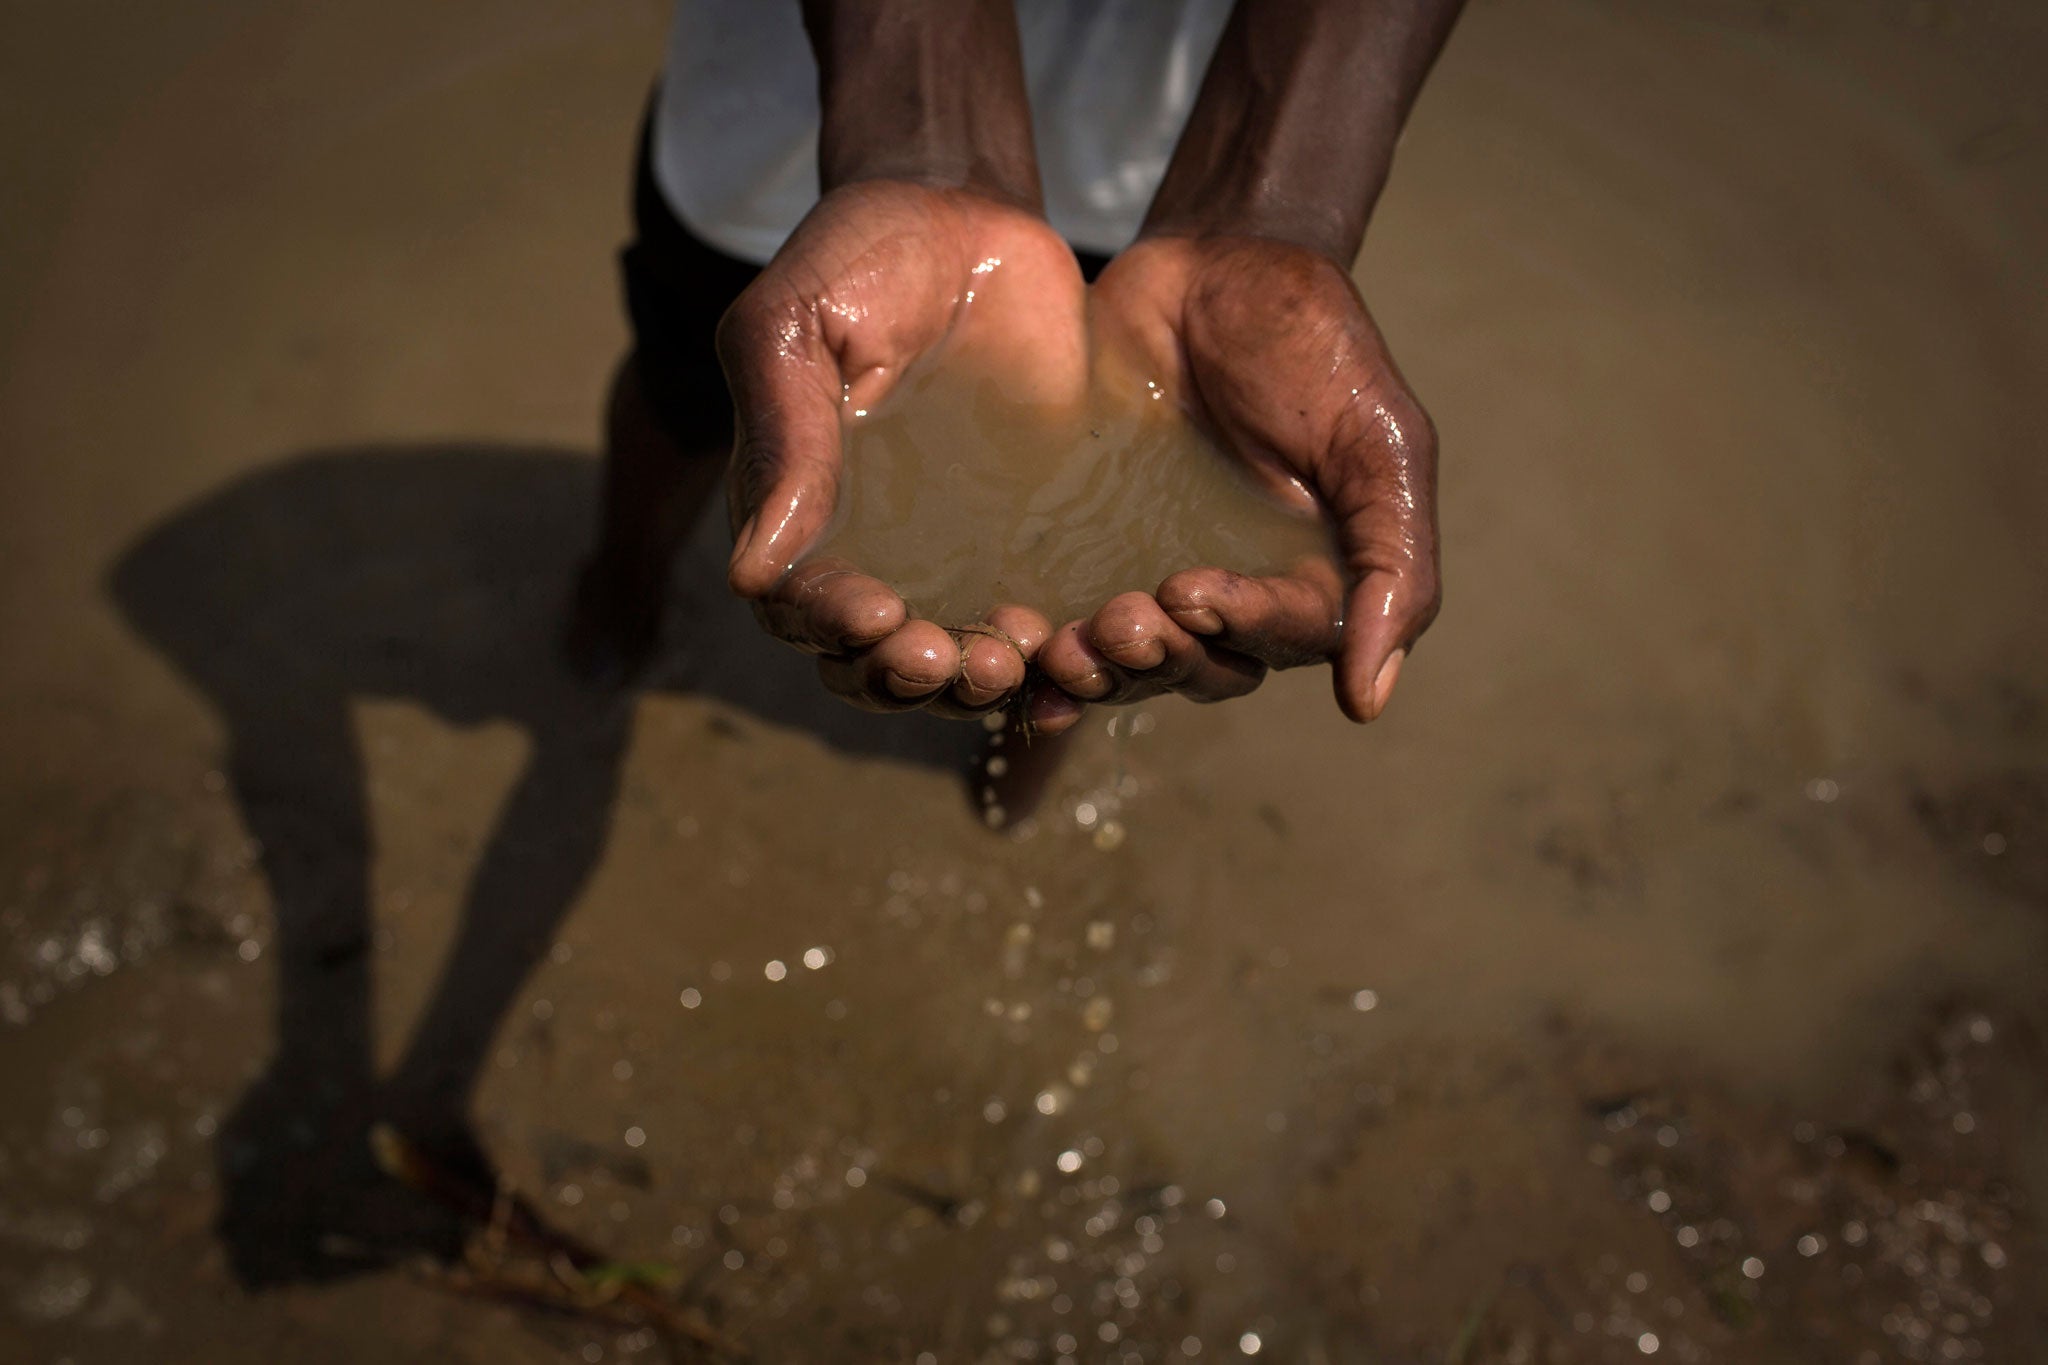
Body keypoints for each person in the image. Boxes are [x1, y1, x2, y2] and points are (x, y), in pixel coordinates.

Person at [577, 0, 1456, 746]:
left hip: (1159, 142)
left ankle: (1036, 731)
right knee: (686, 387)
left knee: (1115, 617)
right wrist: (921, 143)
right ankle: (626, 579)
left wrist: (1268, 203)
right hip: (817, 86)